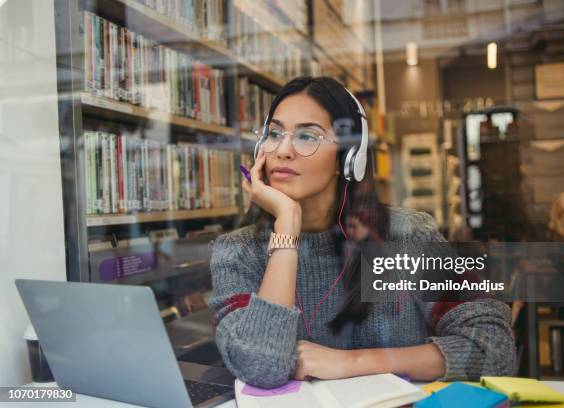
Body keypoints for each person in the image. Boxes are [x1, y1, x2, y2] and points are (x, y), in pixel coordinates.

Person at [209, 76, 517, 389]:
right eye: (274, 133)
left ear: (348, 157)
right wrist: (287, 223)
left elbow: (494, 348)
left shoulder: (406, 236)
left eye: (306, 136)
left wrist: (350, 362)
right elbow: (262, 367)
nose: (283, 150)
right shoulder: (237, 252)